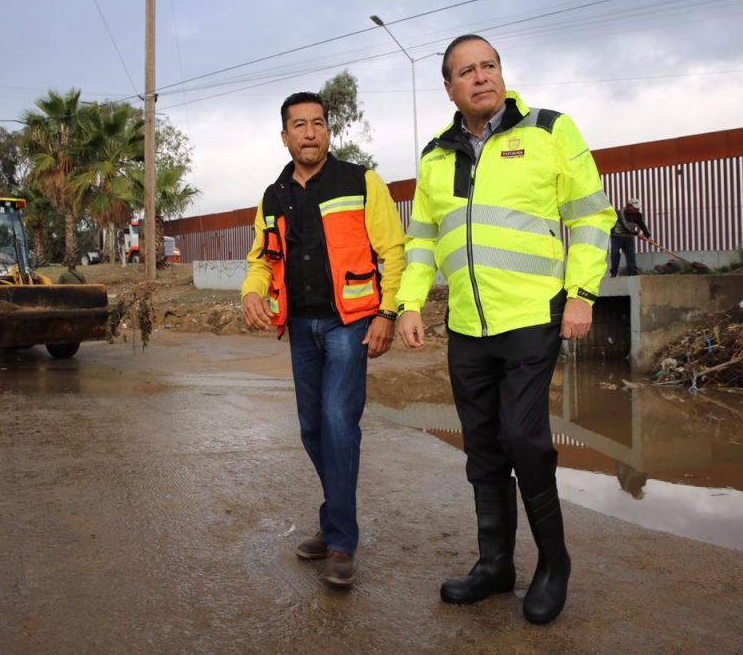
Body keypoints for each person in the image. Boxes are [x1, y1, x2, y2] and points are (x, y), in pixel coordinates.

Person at [395, 35, 615, 624]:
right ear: (449, 88)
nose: (481, 77)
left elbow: (591, 215)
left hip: (531, 316)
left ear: (501, 73)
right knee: (484, 448)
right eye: (466, 71)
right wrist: (410, 303)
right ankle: (495, 565)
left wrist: (582, 293)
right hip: (468, 324)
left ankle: (553, 562)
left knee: (525, 440)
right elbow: (420, 238)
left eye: (488, 65)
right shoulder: (436, 155)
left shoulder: (548, 130)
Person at [241, 92, 406, 587]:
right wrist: (252, 292)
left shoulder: (360, 181)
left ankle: (340, 543)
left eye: (318, 123)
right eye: (299, 124)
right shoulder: (273, 196)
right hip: (300, 327)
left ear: (329, 132)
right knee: (312, 429)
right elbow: (261, 258)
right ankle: (335, 514)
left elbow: (392, 250)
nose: (309, 132)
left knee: (338, 422)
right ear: (285, 135)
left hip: (350, 323)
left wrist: (388, 312)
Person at [609, 198, 650, 276]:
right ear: (629, 206)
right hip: (617, 237)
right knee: (615, 253)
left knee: (631, 254)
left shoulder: (638, 215)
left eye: (637, 208)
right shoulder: (621, 212)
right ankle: (613, 273)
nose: (636, 210)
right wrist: (637, 234)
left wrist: (649, 237)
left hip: (628, 238)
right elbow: (625, 226)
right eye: (635, 208)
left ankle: (632, 273)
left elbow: (642, 225)